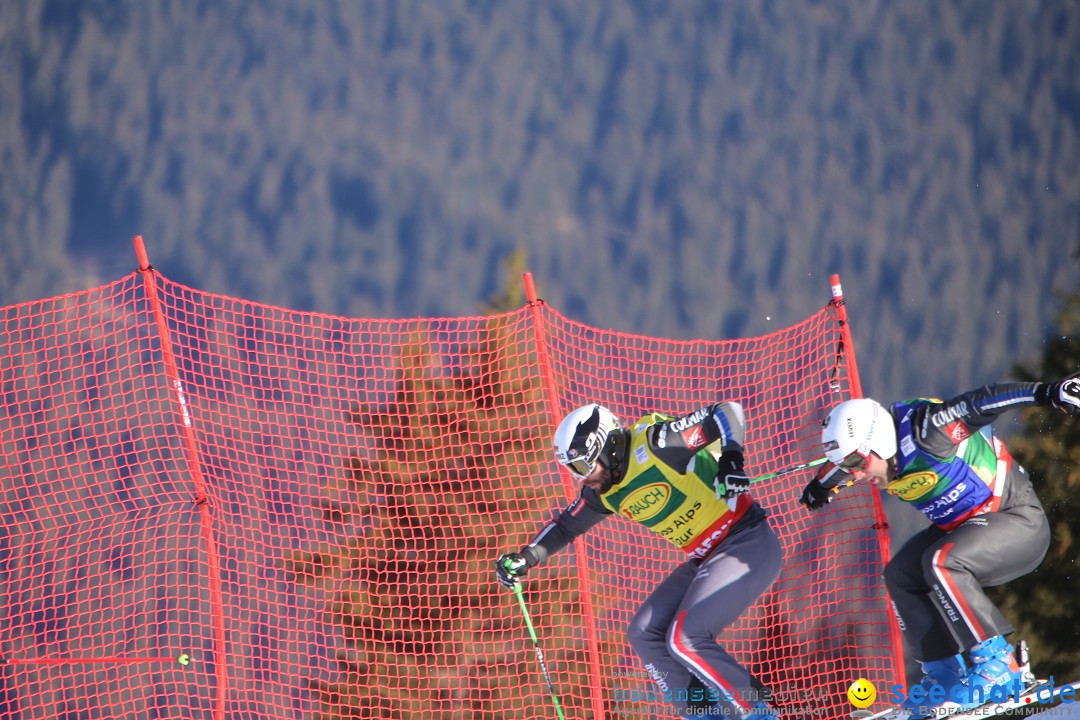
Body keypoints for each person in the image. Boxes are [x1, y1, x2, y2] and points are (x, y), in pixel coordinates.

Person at [800, 374, 1080, 718]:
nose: (855, 475)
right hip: (968, 530)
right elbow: (846, 463)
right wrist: (822, 484)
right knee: (901, 574)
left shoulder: (929, 431)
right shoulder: (876, 456)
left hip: (1017, 522)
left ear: (881, 443)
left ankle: (999, 667)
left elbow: (984, 401)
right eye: (847, 467)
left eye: (856, 464)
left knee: (939, 561)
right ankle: (944, 677)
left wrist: (1048, 393)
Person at [496, 402, 782, 719]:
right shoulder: (603, 491)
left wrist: (732, 461)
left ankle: (758, 711)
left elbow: (727, 412)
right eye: (573, 470)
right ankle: (704, 714)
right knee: (645, 632)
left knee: (685, 638)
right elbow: (566, 527)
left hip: (746, 539)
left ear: (607, 449)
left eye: (582, 467)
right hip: (706, 557)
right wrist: (526, 558)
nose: (581, 478)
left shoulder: (659, 444)